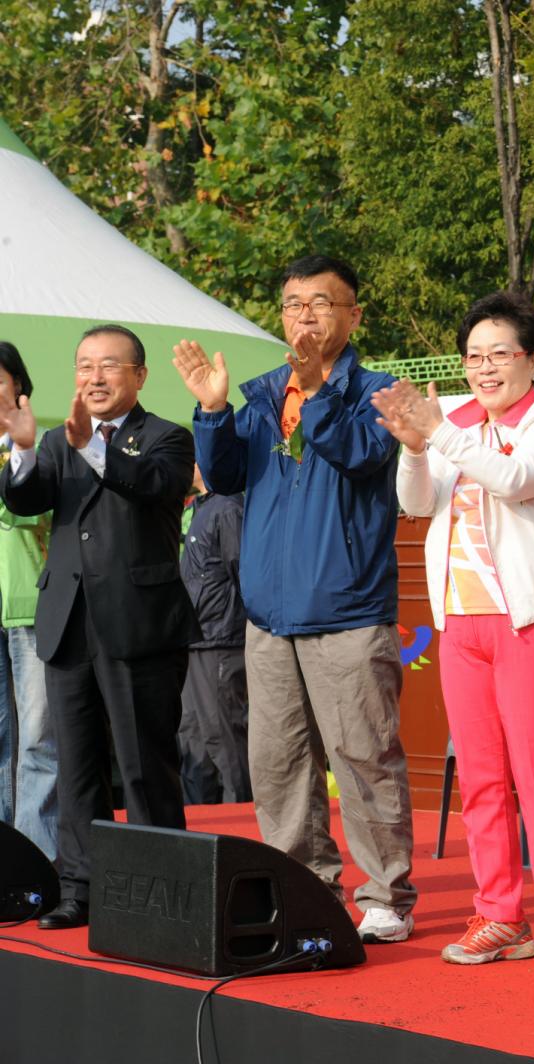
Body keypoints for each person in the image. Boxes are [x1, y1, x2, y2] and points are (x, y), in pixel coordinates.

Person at [172, 254, 417, 945]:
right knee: (277, 764)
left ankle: (385, 895)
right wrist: (214, 411)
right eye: (292, 304)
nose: (304, 315)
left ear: (353, 315)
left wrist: (319, 392)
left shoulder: (378, 393)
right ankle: (301, 883)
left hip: (346, 611)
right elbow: (220, 478)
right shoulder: (261, 396)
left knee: (364, 758)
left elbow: (363, 457)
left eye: (320, 302)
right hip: (269, 618)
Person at [373, 290, 534, 969]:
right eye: (474, 355)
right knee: (480, 776)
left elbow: (517, 479)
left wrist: (439, 433)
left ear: (532, 360)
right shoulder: (456, 424)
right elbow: (417, 505)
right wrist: (414, 448)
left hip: (529, 618)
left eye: (500, 353)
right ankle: (500, 914)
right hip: (461, 620)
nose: (485, 367)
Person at [0, 324, 198, 929]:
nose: (94, 377)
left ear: (138, 375)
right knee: (77, 768)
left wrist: (92, 448)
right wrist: (26, 449)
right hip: (66, 624)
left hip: (138, 625)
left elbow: (154, 486)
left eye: (109, 366)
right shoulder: (58, 440)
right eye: (85, 366)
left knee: (144, 767)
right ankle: (80, 887)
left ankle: (164, 890)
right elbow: (25, 501)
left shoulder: (166, 437)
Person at [0, 341, 54, 859]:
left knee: (38, 740)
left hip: (29, 611)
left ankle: (36, 865)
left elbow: (31, 515)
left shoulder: (43, 446)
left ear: (19, 386)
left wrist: (22, 450)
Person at [177, 463, 249, 804]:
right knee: (193, 741)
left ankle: (243, 826)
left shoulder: (228, 508)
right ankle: (196, 832)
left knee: (225, 739)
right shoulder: (201, 508)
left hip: (221, 640)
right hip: (194, 639)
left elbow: (243, 575)